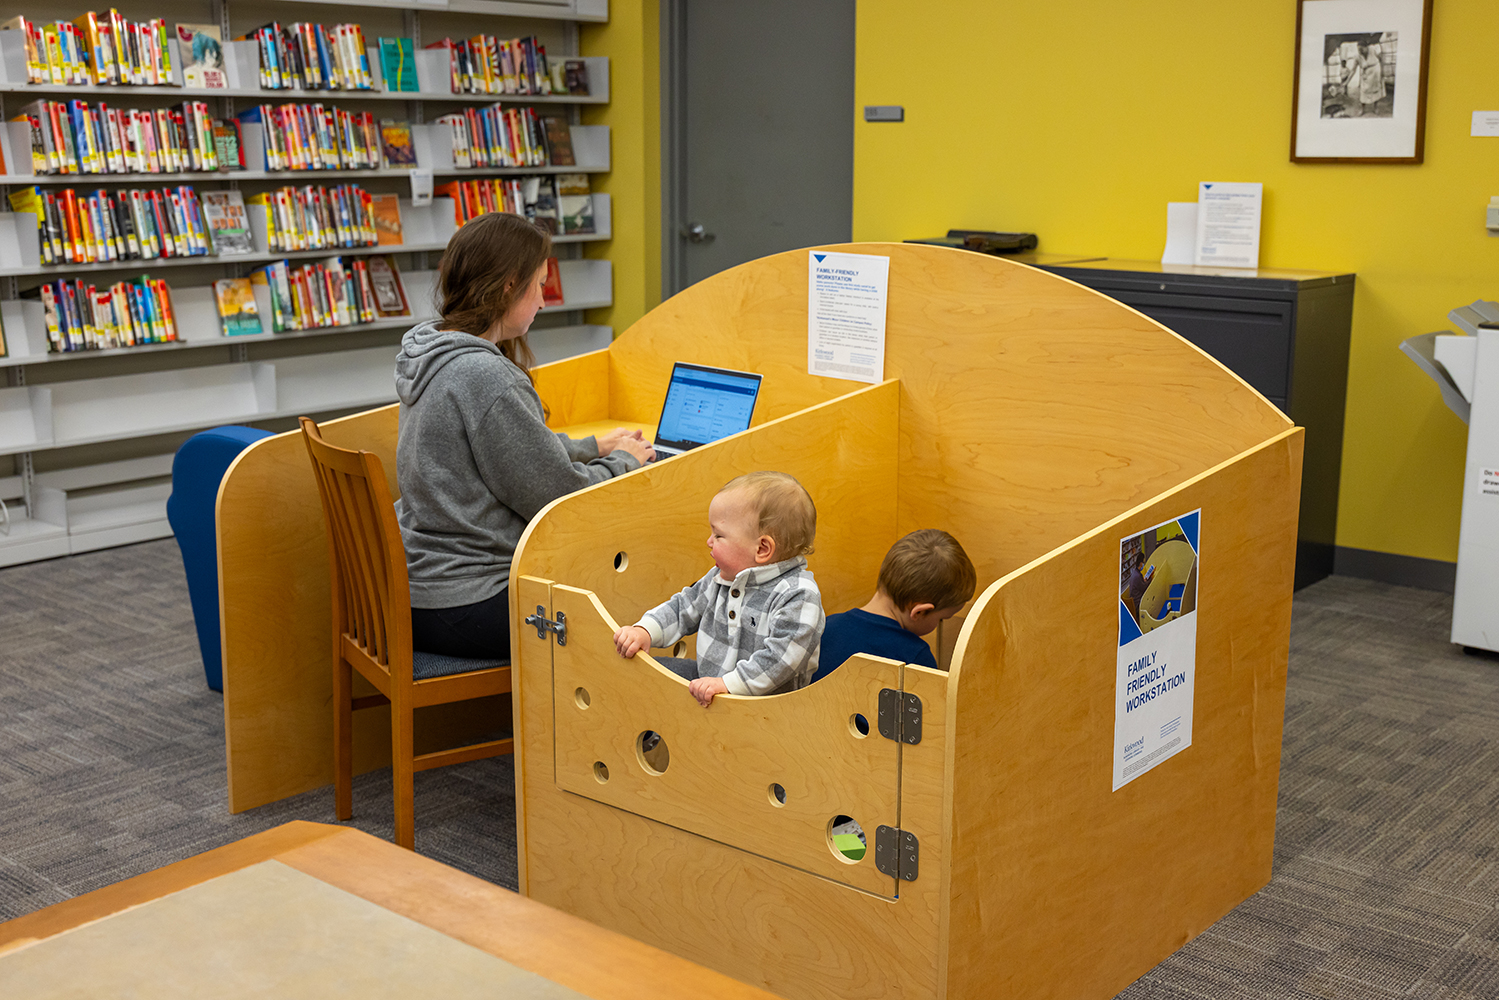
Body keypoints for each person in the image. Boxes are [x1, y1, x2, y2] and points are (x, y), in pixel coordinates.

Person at [394, 212, 654, 659]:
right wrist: (626, 461)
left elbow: (506, 455)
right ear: (508, 286)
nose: (543, 301)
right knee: (633, 609)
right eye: (538, 285)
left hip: (423, 586)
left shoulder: (433, 352)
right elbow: (559, 497)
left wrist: (595, 447)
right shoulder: (485, 376)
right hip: (468, 598)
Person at [612, 471, 824, 707]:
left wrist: (727, 685)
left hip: (765, 708)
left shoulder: (798, 595)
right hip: (708, 683)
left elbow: (782, 659)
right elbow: (684, 606)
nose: (709, 542)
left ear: (762, 548)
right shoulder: (722, 576)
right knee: (643, 673)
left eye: (719, 535)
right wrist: (646, 630)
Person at [813, 529, 976, 683]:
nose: (940, 625)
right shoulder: (915, 660)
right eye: (942, 619)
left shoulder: (823, 629)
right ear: (919, 612)